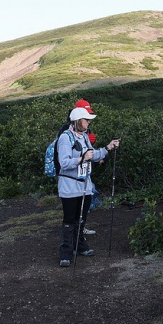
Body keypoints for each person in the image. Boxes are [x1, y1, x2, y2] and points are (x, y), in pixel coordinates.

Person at [56, 107, 119, 267]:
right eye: (86, 119)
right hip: (70, 187)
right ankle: (66, 252)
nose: (89, 122)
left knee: (81, 219)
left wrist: (107, 148)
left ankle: (80, 246)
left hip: (84, 186)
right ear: (78, 121)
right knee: (69, 220)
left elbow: (93, 155)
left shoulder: (84, 137)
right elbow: (64, 163)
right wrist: (81, 159)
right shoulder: (65, 138)